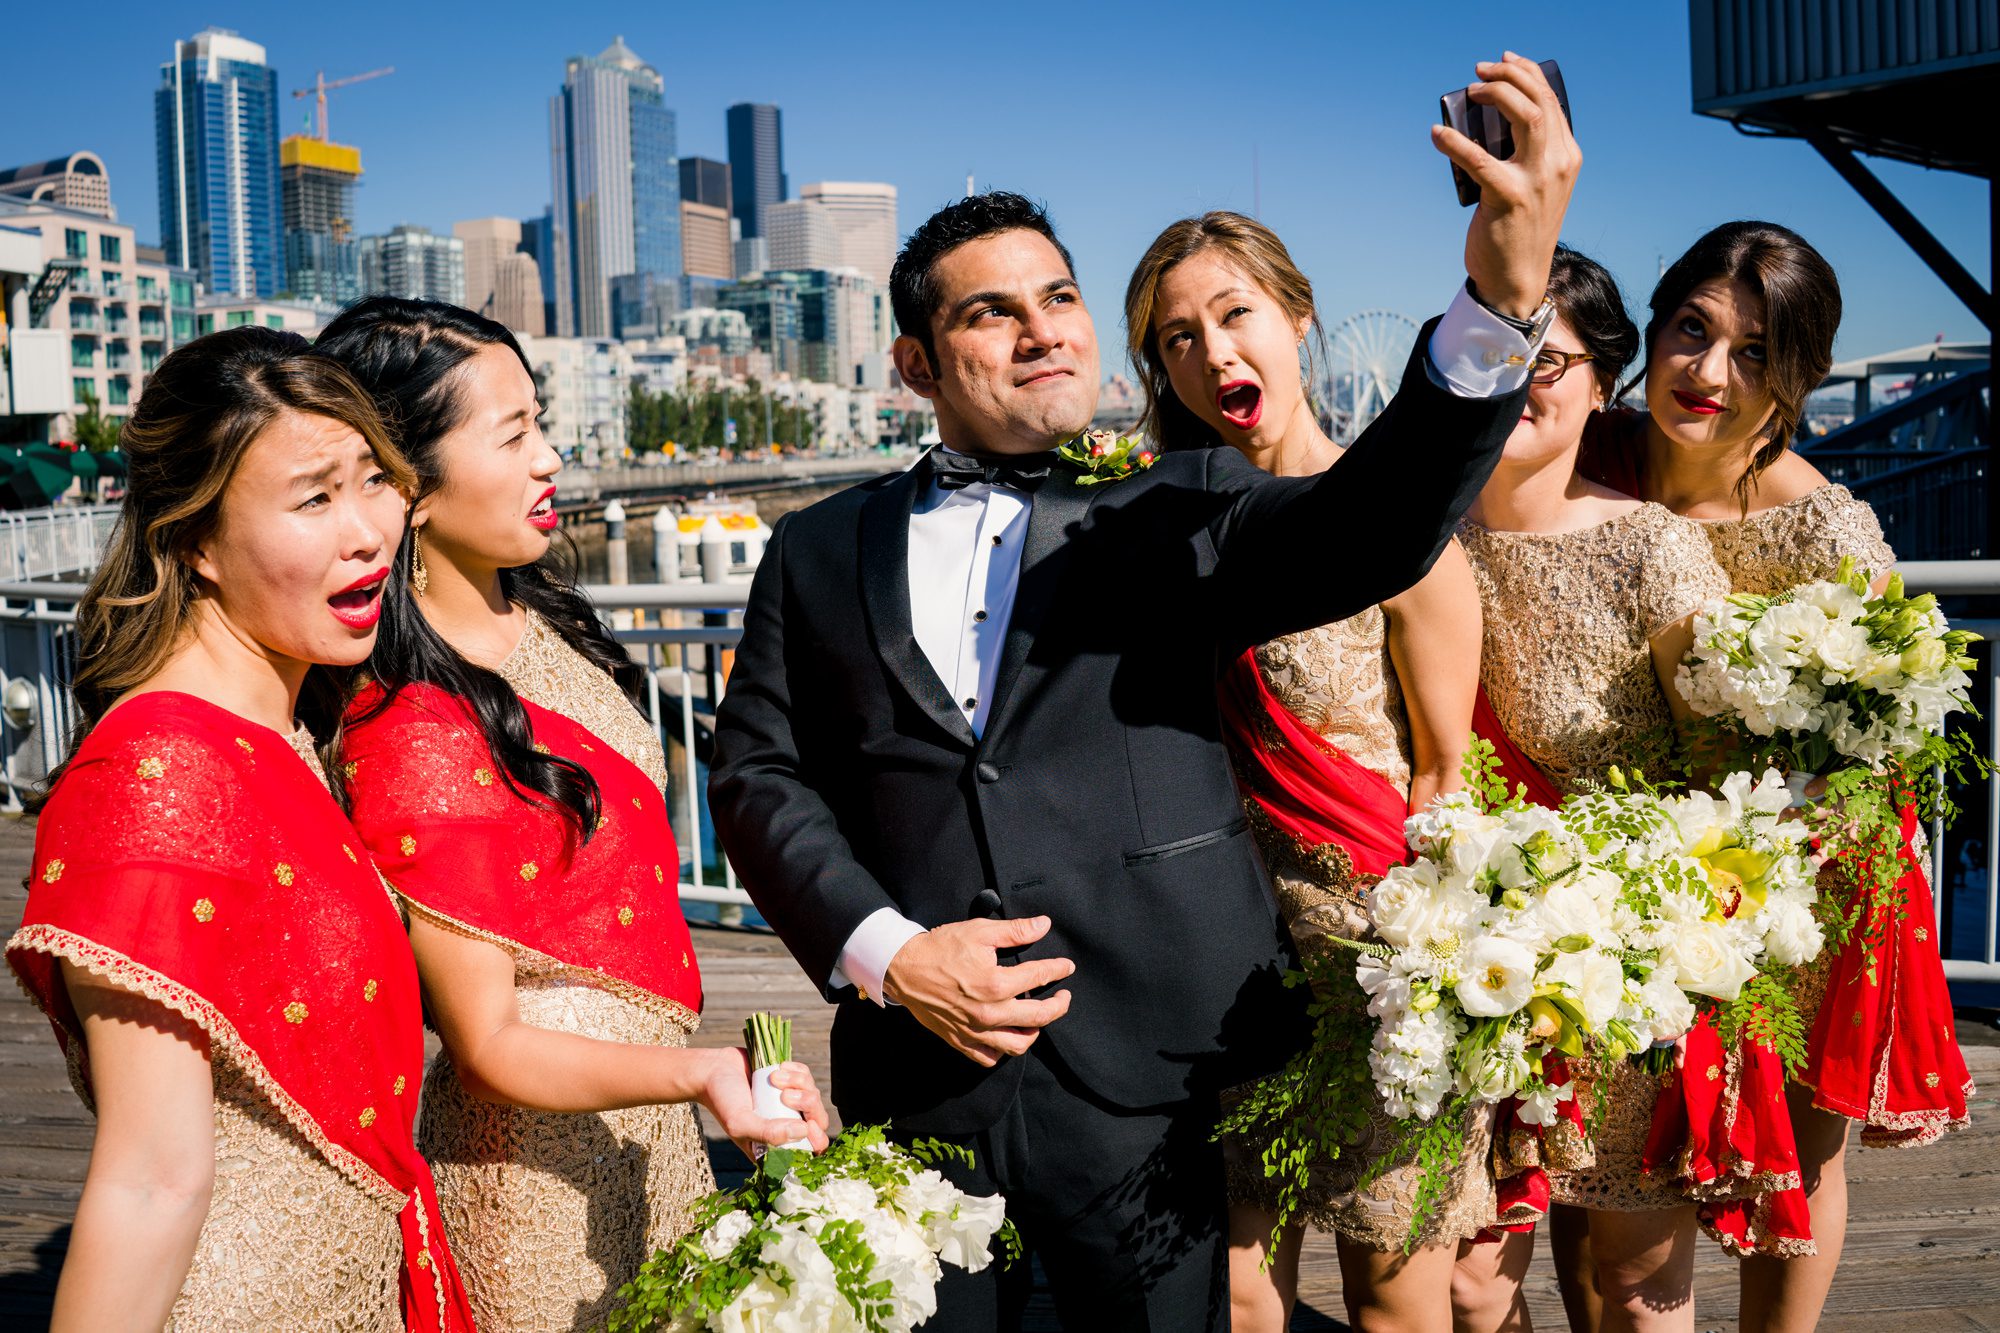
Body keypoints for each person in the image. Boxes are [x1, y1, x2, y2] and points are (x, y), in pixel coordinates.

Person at [708, 52, 1579, 1332]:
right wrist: (888, 954)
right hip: (915, 1077)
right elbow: (755, 772)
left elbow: (1376, 521)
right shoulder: (815, 549)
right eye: (990, 312)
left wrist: (1499, 293)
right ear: (912, 361)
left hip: (1147, 1072)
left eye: (1057, 296)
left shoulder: (1180, 509)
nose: (1044, 327)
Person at [317, 299, 830, 1333]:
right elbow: (487, 1040)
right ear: (405, 486)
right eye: (513, 435)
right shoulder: (414, 724)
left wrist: (698, 1085)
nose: (552, 457)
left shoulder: (539, 617)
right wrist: (700, 1074)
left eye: (540, 421)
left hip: (651, 1128)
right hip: (533, 1182)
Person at [4, 327, 475, 1331]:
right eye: (314, 497)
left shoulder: (282, 734)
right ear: (192, 543)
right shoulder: (158, 771)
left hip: (354, 1285)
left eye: (372, 480)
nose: (367, 532)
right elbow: (150, 1180)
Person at [1578, 221, 1970, 1333]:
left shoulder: (1827, 530)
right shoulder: (1585, 456)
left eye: (1752, 351)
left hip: (1810, 871)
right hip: (1623, 869)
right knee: (1623, 1174)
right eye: (1690, 331)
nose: (1707, 373)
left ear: (1795, 378)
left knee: (1793, 1155)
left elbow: (1889, 733)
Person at [1122, 209, 1499, 1333]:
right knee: (1236, 1289)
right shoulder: (1146, 545)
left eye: (1234, 314)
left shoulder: (1402, 541)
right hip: (1220, 965)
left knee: (1392, 1290)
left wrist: (1434, 977)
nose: (1213, 352)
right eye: (1176, 337)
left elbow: (1443, 776)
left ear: (1298, 320)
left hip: (1379, 964)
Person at [1459, 246, 1732, 1333]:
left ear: (1600, 381)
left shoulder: (1650, 550)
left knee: (1629, 1279)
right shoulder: (1411, 539)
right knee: (1468, 1283)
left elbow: (1727, 779)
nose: (1524, 379)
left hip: (1625, 971)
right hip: (1459, 967)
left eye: (1552, 358)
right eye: (1499, 353)